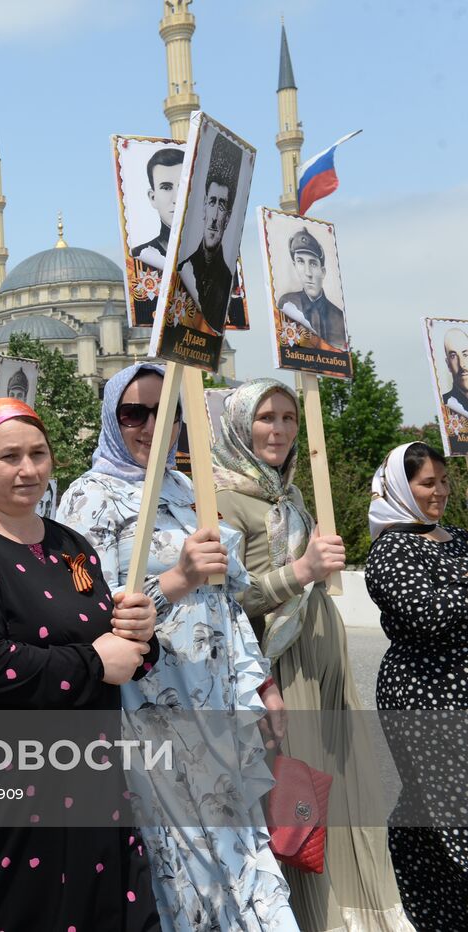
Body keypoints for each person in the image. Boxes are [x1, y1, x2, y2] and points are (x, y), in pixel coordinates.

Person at [0, 397, 160, 930]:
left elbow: (118, 651)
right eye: (9, 456)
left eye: (38, 454)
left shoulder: (71, 545)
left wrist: (140, 635)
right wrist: (92, 662)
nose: (28, 469)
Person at [56, 362, 297, 930]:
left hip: (213, 703)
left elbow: (228, 602)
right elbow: (83, 614)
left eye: (165, 415)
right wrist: (174, 581)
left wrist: (258, 681)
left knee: (242, 851)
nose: (148, 427)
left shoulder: (191, 488)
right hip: (148, 708)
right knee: (182, 860)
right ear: (112, 419)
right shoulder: (90, 498)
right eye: (133, 413)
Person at [214, 380, 413, 931]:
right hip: (277, 666)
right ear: (238, 427)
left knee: (340, 788)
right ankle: (306, 916)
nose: (278, 430)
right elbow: (227, 598)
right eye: (265, 419)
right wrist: (301, 570)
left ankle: (351, 912)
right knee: (296, 801)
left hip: (323, 663)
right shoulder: (219, 498)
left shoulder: (294, 494)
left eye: (288, 418)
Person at [364, 442, 468, 931]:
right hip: (424, 693)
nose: (440, 492)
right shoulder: (392, 547)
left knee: (431, 812)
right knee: (449, 806)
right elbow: (425, 614)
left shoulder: (460, 539)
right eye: (429, 483)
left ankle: (439, 914)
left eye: (444, 481)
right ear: (403, 488)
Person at [176, 133, 240, 333]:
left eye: (222, 205)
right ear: (203, 206)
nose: (214, 217)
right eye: (212, 202)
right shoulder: (183, 269)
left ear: (228, 217)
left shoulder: (229, 281)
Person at [129, 146, 183, 327]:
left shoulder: (218, 258)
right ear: (152, 197)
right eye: (166, 188)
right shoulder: (139, 256)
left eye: (182, 186)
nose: (176, 198)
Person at [276, 228, 347, 350]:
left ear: (322, 271)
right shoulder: (286, 304)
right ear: (295, 266)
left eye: (313, 263)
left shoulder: (339, 319)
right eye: (301, 262)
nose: (308, 273)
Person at [439, 327, 468, 414]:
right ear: (448, 364)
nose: (462, 364)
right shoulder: (445, 404)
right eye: (453, 356)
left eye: (465, 354)